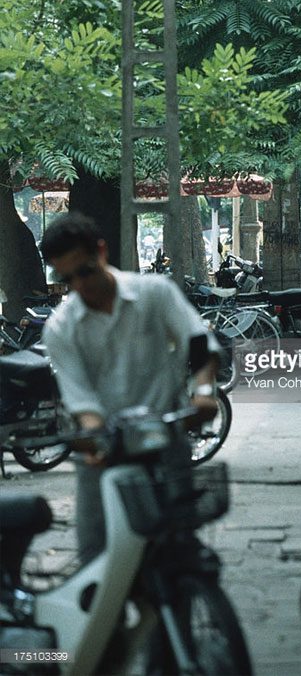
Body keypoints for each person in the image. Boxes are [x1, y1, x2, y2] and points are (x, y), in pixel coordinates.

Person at [41, 212, 221, 563]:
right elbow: (82, 401)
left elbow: (197, 340)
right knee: (98, 554)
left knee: (179, 553)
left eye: (85, 271)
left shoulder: (154, 293)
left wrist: (203, 392)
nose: (79, 285)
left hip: (166, 437)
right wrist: (96, 438)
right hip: (107, 449)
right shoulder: (61, 328)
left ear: (102, 252)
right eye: (67, 278)